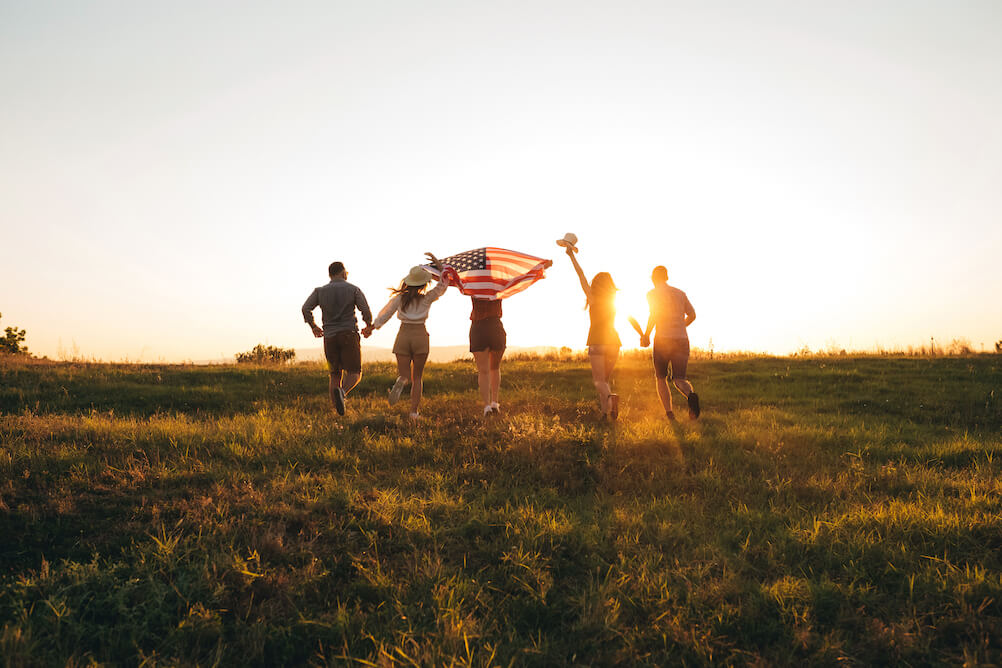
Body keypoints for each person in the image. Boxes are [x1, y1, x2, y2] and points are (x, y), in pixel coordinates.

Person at [362, 254, 448, 421]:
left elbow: (385, 314)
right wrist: (438, 263)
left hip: (403, 335)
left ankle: (401, 379)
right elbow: (444, 283)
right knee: (417, 377)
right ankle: (414, 413)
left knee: (406, 375)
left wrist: (372, 327)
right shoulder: (427, 298)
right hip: (420, 335)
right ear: (424, 284)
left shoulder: (400, 298)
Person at [302, 261, 372, 416]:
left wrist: (313, 326)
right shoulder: (353, 289)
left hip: (329, 337)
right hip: (349, 334)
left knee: (334, 374)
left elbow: (305, 308)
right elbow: (365, 309)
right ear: (342, 272)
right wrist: (368, 325)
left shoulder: (319, 291)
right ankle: (343, 392)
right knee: (355, 373)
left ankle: (337, 411)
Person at [562, 241, 622, 420]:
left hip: (597, 342)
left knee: (599, 381)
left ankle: (611, 400)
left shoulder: (593, 297)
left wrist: (571, 255)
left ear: (596, 284)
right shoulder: (613, 298)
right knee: (604, 380)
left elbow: (580, 274)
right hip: (614, 343)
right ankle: (605, 414)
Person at [641, 265, 700, 420]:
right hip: (681, 339)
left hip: (662, 340)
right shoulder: (680, 293)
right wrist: (681, 325)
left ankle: (669, 413)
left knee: (661, 377)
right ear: (666, 277)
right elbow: (692, 314)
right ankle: (691, 396)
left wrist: (646, 335)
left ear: (653, 278)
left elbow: (654, 314)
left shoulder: (652, 294)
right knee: (679, 379)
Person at [470, 294, 506, 417]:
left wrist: (433, 275)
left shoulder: (473, 282)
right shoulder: (498, 281)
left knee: (483, 371)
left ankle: (487, 407)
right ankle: (495, 402)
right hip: (495, 326)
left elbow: (456, 281)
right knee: (495, 368)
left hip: (478, 327)